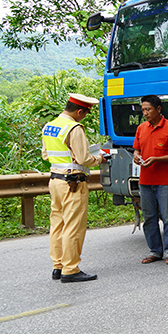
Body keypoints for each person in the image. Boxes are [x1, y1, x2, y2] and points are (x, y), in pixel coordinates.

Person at [42, 93, 107, 283]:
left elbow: (46, 155)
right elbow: (84, 159)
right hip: (73, 183)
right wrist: (100, 158)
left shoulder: (49, 126)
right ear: (80, 111)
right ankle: (70, 269)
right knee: (73, 226)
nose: (84, 116)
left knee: (57, 224)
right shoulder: (74, 128)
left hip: (55, 181)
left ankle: (58, 266)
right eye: (85, 113)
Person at [133, 94, 168, 265]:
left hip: (164, 180)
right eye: (143, 110)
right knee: (149, 218)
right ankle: (155, 251)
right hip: (145, 180)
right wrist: (136, 155)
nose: (145, 113)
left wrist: (157, 159)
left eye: (148, 109)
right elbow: (137, 150)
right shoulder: (141, 128)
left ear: (159, 109)